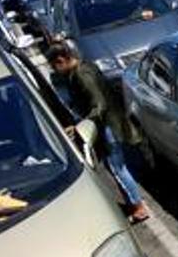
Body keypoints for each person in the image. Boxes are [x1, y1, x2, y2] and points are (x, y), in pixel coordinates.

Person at [47, 42, 150, 223]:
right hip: (112, 122)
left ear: (61, 60)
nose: (55, 70)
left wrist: (84, 124)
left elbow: (98, 103)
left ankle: (138, 207)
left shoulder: (80, 75)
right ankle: (132, 202)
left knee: (117, 168)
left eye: (54, 65)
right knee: (117, 167)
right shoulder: (86, 66)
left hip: (106, 126)